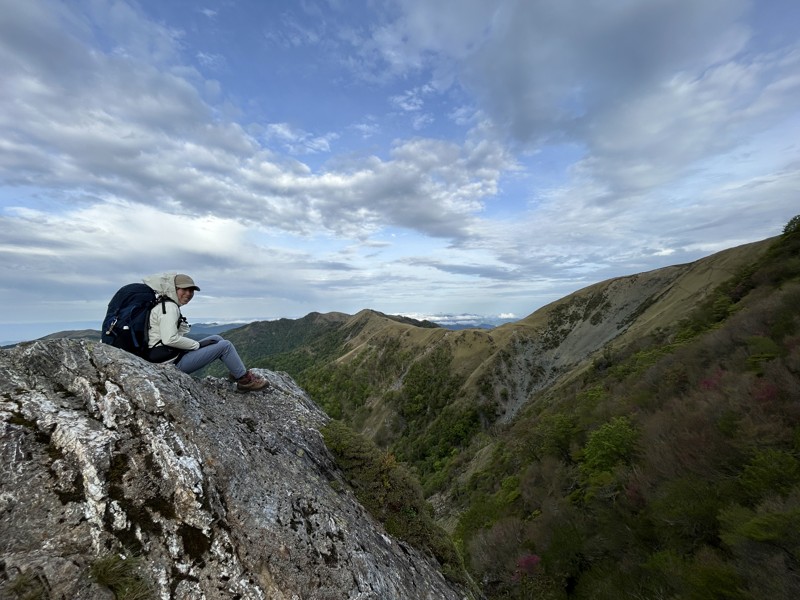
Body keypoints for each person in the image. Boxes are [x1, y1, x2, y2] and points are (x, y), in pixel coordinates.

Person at [142, 272, 268, 392]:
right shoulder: (170, 308)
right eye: (184, 289)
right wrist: (197, 345)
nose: (188, 293)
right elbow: (169, 339)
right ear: (173, 289)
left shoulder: (165, 304)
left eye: (191, 290)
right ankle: (244, 381)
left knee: (217, 338)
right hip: (167, 363)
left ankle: (236, 372)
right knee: (226, 346)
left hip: (167, 355)